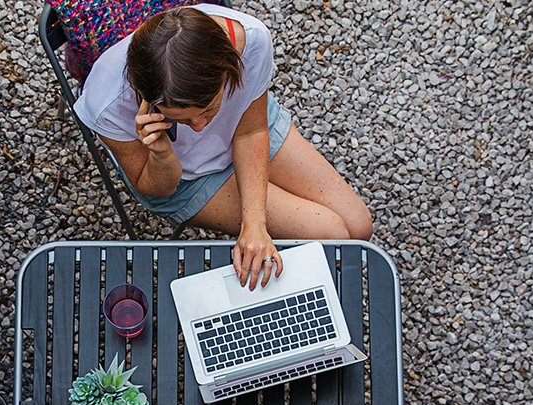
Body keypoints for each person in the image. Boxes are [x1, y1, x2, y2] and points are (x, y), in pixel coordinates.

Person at [74, 3, 372, 290]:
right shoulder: (105, 102)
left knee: (359, 228)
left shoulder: (250, 41)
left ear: (228, 71)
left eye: (209, 109)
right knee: (332, 234)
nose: (201, 127)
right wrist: (162, 153)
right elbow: (155, 189)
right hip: (188, 182)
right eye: (182, 119)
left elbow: (251, 130)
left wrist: (254, 223)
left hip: (248, 131)